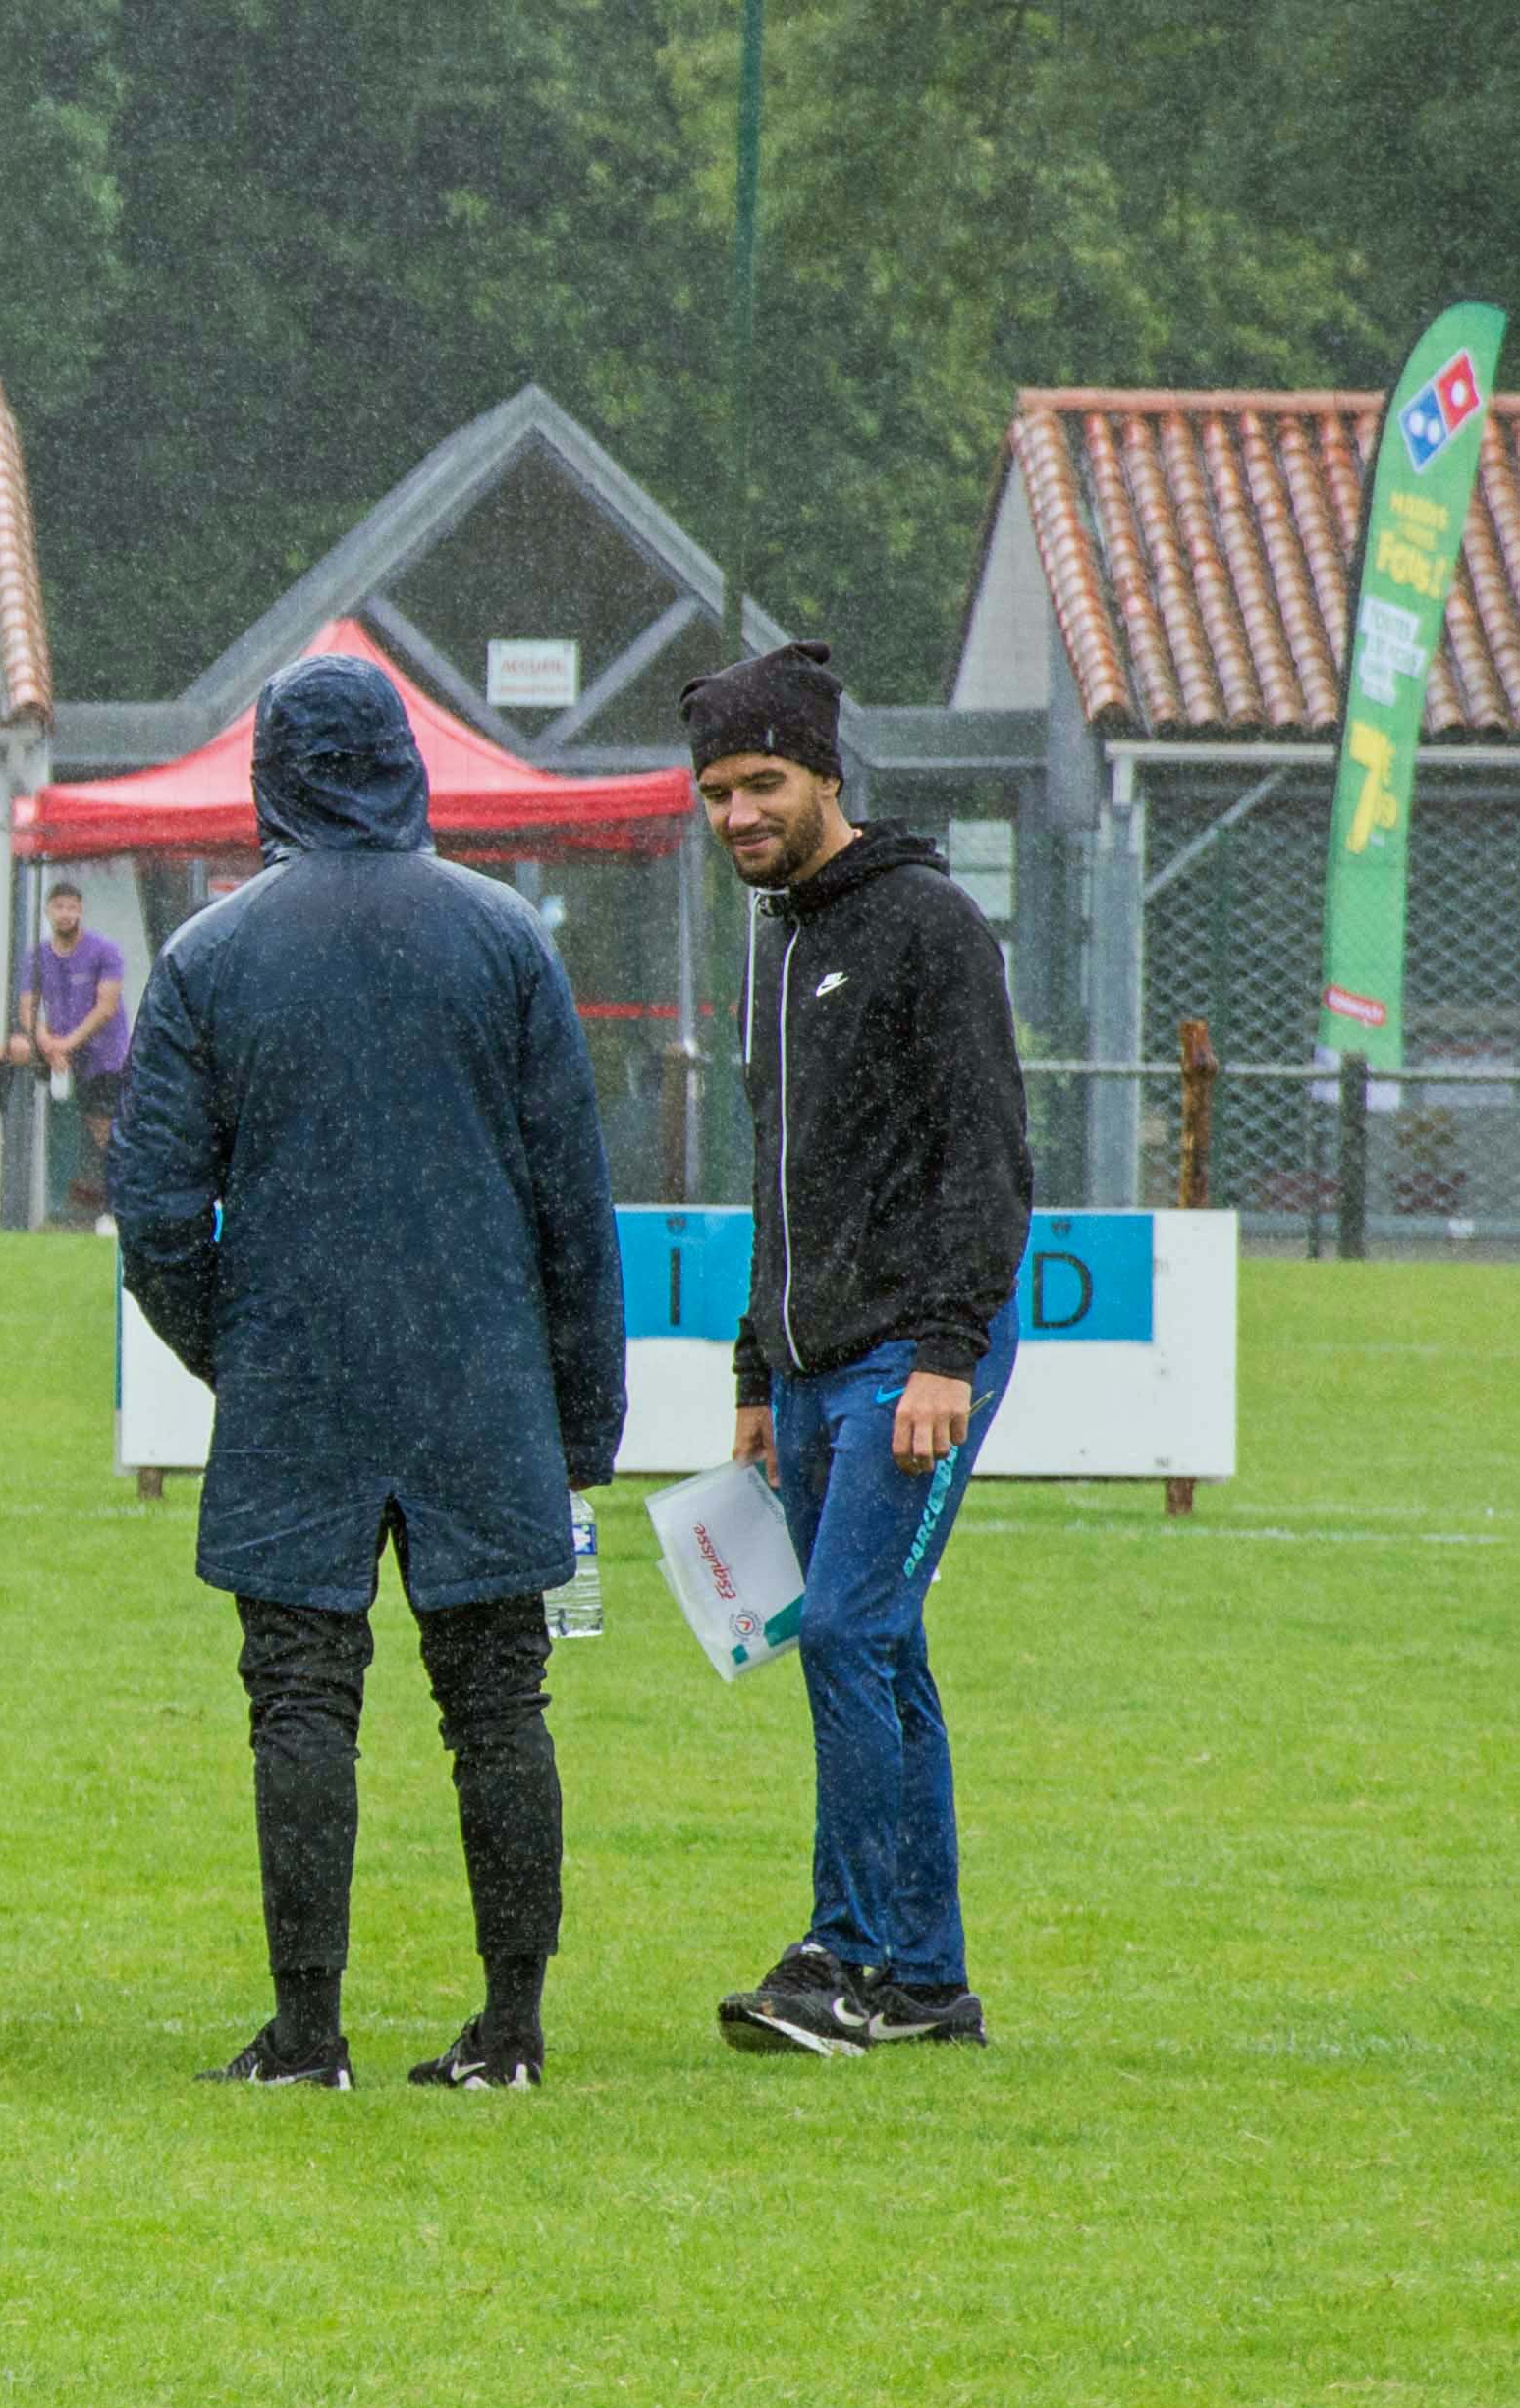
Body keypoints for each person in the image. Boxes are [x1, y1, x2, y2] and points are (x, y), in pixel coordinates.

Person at [114, 651, 624, 2093]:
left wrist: (244, 1350)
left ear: (267, 770)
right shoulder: (505, 937)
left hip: (300, 1379)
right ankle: (511, 2026)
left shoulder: (208, 956)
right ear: (405, 761)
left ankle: (307, 2028)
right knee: (498, 1704)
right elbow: (571, 1207)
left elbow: (155, 1217)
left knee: (297, 1696)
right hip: (483, 1376)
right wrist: (577, 1415)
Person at [689, 642, 1031, 2057]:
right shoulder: (777, 939)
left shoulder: (930, 926)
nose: (734, 813)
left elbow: (986, 1156)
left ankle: (858, 1960)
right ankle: (918, 1972)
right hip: (815, 1358)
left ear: (826, 771)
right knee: (875, 1645)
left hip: (915, 1346)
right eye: (712, 791)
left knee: (844, 1627)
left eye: (760, 781)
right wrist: (754, 1374)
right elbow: (781, 1177)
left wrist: (947, 1351)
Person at [7, 877, 128, 1224]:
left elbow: (105, 1008)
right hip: (58, 1053)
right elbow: (27, 1007)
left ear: (81, 911)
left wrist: (66, 1044)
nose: (65, 914)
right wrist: (46, 1043)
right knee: (9, 1051)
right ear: (48, 910)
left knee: (105, 1130)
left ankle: (114, 1208)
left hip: (102, 1056)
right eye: (59, 907)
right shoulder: (38, 956)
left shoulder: (105, 951)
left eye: (72, 907)